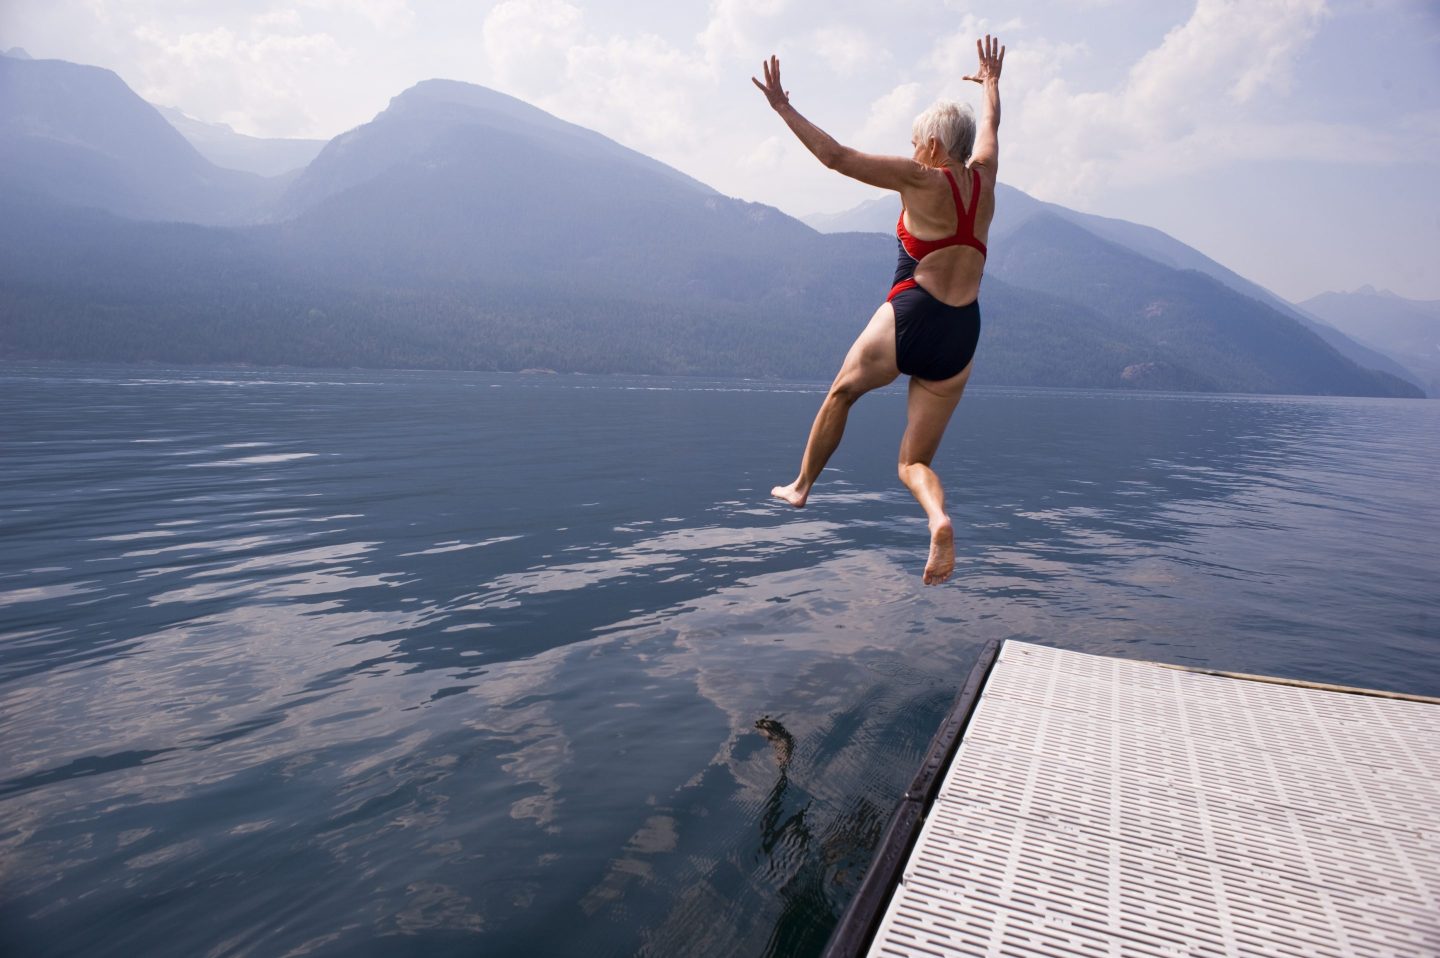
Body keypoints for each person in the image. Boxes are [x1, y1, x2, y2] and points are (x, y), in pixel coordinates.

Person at [752, 36, 1004, 586]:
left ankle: (801, 487)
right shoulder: (986, 176)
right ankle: (938, 518)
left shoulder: (921, 179)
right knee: (912, 463)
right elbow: (991, 128)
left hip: (912, 313)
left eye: (916, 143)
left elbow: (837, 158)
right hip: (962, 335)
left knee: (843, 392)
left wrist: (783, 108)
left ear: (934, 147)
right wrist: (991, 85)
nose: (912, 151)